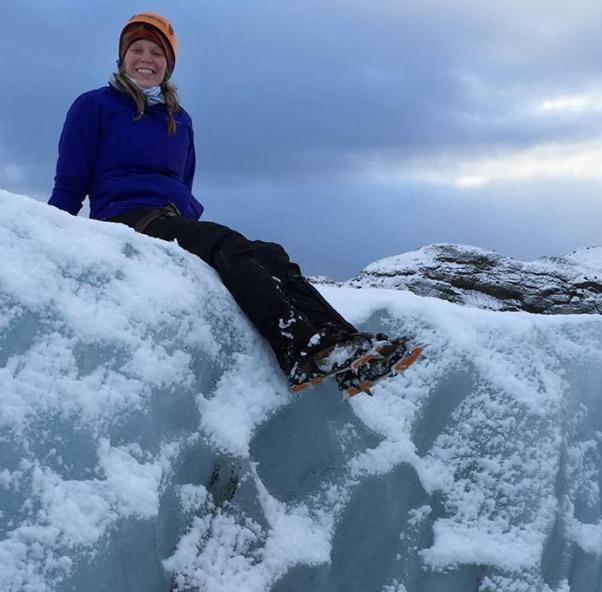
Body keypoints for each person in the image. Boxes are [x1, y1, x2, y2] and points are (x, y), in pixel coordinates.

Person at [49, 12, 419, 395]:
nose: (146, 59)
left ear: (168, 64)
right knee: (225, 243)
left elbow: (182, 184)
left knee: (272, 255)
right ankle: (297, 351)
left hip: (171, 221)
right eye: (136, 50)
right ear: (122, 58)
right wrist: (52, 235)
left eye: (156, 53)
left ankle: (345, 349)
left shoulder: (179, 120)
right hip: (125, 219)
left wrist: (186, 225)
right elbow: (70, 182)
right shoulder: (94, 105)